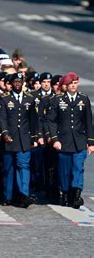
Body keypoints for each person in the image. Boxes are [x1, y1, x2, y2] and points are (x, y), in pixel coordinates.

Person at [46, 72, 94, 208]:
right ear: (65, 86)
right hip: (63, 141)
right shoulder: (57, 99)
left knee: (78, 168)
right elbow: (51, 121)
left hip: (79, 141)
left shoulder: (83, 99)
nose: (73, 86)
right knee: (64, 170)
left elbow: (88, 122)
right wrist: (55, 139)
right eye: (70, 84)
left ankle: (76, 193)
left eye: (75, 83)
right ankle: (65, 193)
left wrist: (91, 143)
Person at [0, 73, 37, 208]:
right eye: (15, 81)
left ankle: (23, 195)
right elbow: (2, 118)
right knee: (8, 169)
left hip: (24, 139)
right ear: (11, 83)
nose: (17, 83)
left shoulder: (29, 99)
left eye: (20, 81)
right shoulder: (4, 99)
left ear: (23, 83)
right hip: (10, 139)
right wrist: (5, 133)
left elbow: (33, 120)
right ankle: (8, 196)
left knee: (23, 166)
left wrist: (34, 138)